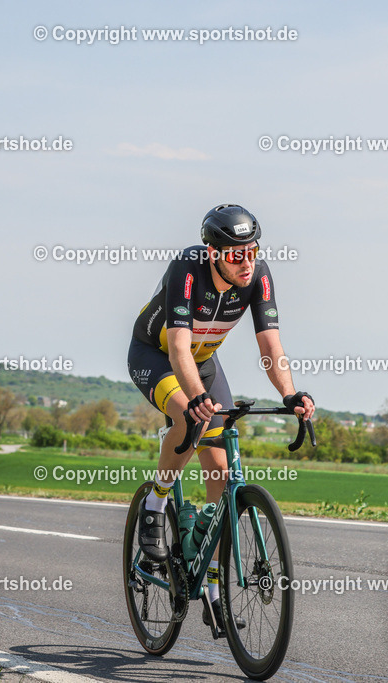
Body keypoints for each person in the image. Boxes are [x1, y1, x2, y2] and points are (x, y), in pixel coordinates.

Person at [128, 203, 315, 636]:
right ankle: (156, 502)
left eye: (252, 252)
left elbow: (270, 345)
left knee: (221, 472)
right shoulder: (187, 268)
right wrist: (196, 399)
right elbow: (178, 348)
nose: (246, 263)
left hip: (205, 364)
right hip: (156, 356)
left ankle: (213, 587)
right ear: (213, 253)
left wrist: (289, 393)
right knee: (187, 419)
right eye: (236, 255)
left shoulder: (258, 276)